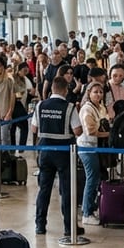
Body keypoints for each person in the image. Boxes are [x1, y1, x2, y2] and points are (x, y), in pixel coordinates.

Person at [32, 75, 84, 237]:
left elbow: (34, 129)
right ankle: (69, 228)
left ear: (52, 88)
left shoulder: (40, 105)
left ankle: (40, 225)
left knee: (44, 189)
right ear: (65, 90)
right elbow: (78, 131)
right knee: (67, 190)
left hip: (45, 152)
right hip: (64, 153)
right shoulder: (69, 108)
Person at [78, 82, 110, 226]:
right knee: (92, 178)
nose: (98, 94)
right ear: (89, 93)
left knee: (97, 177)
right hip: (87, 147)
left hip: (98, 147)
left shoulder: (101, 107)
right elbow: (90, 131)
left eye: (100, 92)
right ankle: (86, 212)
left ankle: (94, 206)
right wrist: (109, 134)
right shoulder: (87, 109)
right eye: (95, 92)